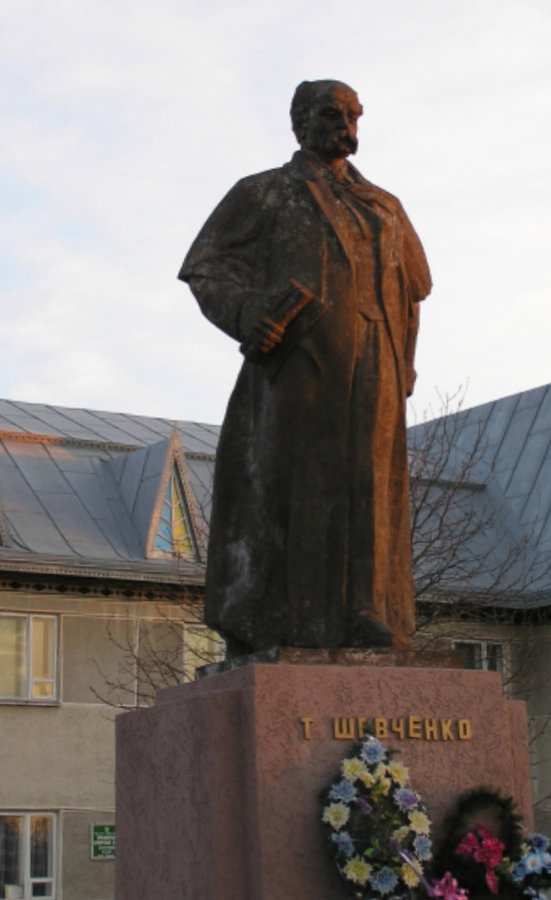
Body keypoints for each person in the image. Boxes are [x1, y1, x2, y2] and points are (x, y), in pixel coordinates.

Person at [179, 79, 432, 651]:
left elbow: (412, 290)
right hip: (300, 364)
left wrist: (407, 363)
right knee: (293, 483)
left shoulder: (384, 206)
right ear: (300, 122)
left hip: (378, 360)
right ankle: (283, 617)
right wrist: (247, 313)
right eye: (332, 114)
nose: (346, 126)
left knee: (369, 485)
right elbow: (207, 267)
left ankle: (368, 610)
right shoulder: (266, 193)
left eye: (354, 115)